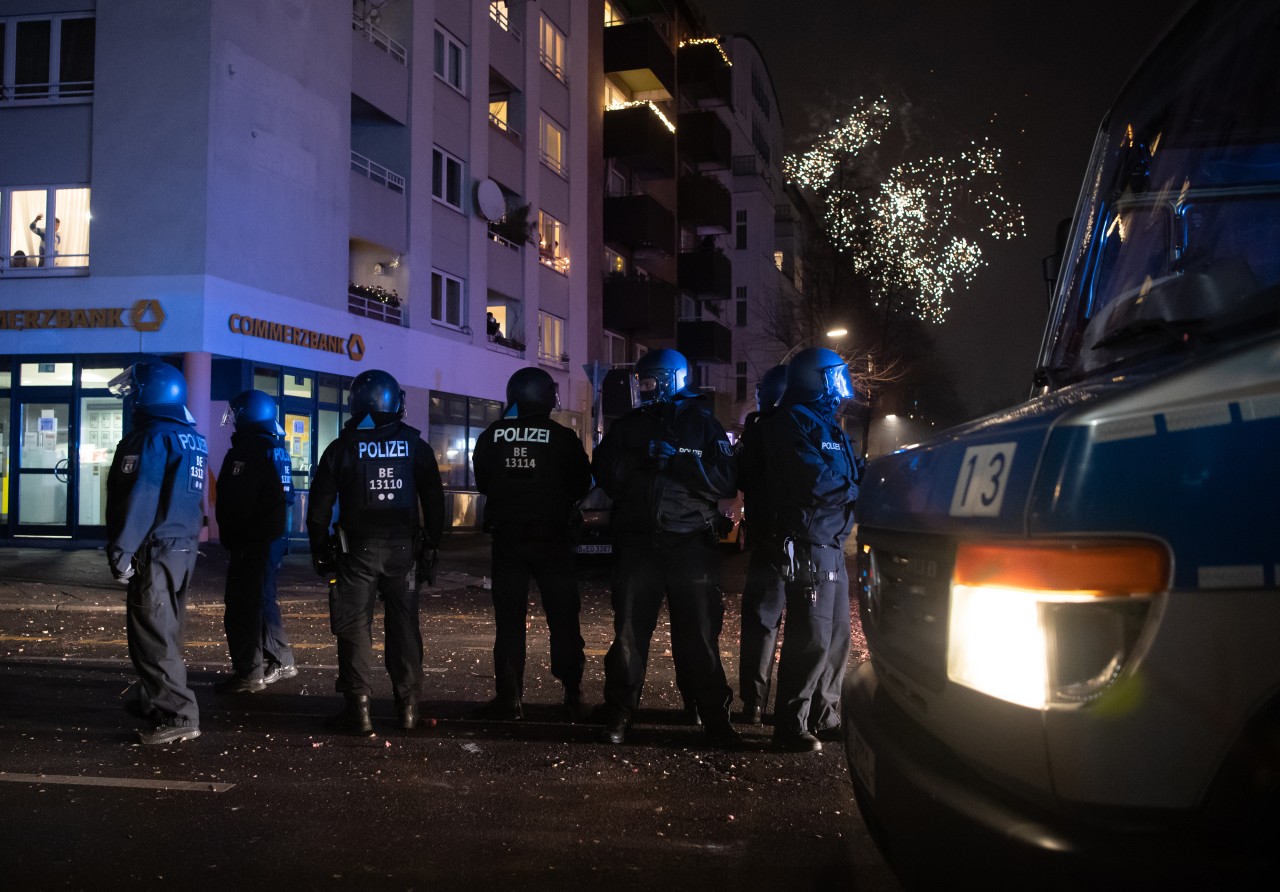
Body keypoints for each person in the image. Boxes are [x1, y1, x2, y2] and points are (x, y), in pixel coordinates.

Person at [593, 349, 741, 748]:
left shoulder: (703, 424)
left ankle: (712, 715)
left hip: (690, 543)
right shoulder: (629, 426)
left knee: (699, 636)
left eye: (649, 380)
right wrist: (641, 457)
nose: (642, 388)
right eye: (639, 380)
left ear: (671, 378)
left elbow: (725, 480)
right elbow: (605, 474)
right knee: (627, 637)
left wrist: (679, 462)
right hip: (638, 545)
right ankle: (620, 713)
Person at [306, 369, 445, 735]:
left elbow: (319, 507)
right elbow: (433, 500)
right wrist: (432, 545)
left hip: (356, 553)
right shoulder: (415, 445)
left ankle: (359, 711)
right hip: (404, 553)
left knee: (354, 629)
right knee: (404, 628)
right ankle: (408, 709)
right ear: (394, 401)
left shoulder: (341, 447)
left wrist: (319, 550)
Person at [470, 367, 593, 721]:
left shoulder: (493, 435)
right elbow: (582, 484)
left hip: (508, 540)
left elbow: (483, 482)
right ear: (547, 398)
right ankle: (572, 690)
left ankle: (509, 698)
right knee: (564, 618)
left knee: (509, 621)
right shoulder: (562, 437)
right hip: (553, 540)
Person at [757, 348, 860, 752]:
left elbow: (848, 474)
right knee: (811, 637)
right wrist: (855, 492)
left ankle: (825, 716)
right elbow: (813, 481)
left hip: (832, 544)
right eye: (833, 376)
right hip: (808, 543)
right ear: (814, 379)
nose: (840, 385)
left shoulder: (828, 427)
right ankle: (790, 725)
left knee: (837, 639)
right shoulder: (789, 423)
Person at [105, 361, 209, 745]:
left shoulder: (148, 438)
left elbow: (139, 497)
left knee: (151, 636)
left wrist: (121, 552)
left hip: (155, 549)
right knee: (166, 631)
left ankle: (178, 714)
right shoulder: (191, 437)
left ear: (150, 393)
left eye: (134, 389)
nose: (130, 396)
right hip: (182, 548)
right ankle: (154, 700)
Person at [213, 390, 298, 694]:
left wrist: (237, 536)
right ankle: (281, 659)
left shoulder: (250, 449)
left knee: (243, 605)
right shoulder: (275, 448)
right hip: (269, 539)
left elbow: (240, 500)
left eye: (237, 412)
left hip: (253, 540)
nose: (233, 418)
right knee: (262, 597)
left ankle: (250, 671)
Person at [735, 364, 789, 724]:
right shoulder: (820, 428)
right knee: (807, 628)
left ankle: (754, 705)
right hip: (810, 543)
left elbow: (738, 476)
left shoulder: (760, 429)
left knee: (761, 624)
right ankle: (800, 711)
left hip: (770, 542)